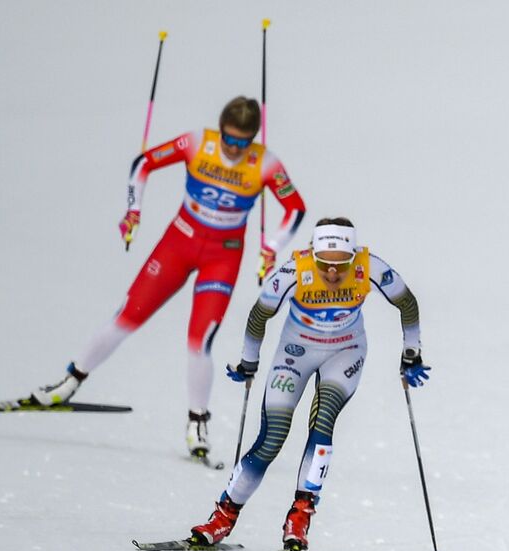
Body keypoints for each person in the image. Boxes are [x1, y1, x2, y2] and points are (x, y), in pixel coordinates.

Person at [31, 96, 307, 459]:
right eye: (229, 139)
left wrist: (270, 246)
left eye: (243, 142)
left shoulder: (265, 163)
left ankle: (197, 423)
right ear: (220, 130)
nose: (234, 149)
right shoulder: (197, 143)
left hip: (222, 256)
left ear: (253, 138)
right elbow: (143, 163)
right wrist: (133, 210)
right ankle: (70, 382)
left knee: (200, 340)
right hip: (178, 242)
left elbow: (295, 208)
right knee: (128, 316)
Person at [188, 217, 427, 551]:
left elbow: (407, 302)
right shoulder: (293, 270)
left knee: (324, 420)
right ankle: (223, 516)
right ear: (313, 254)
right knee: (272, 438)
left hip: (346, 352)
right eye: (324, 265)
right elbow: (259, 315)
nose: (332, 273)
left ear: (352, 256)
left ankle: (299, 517)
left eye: (341, 265)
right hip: (295, 353)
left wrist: (411, 354)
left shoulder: (369, 266)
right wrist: (249, 361)